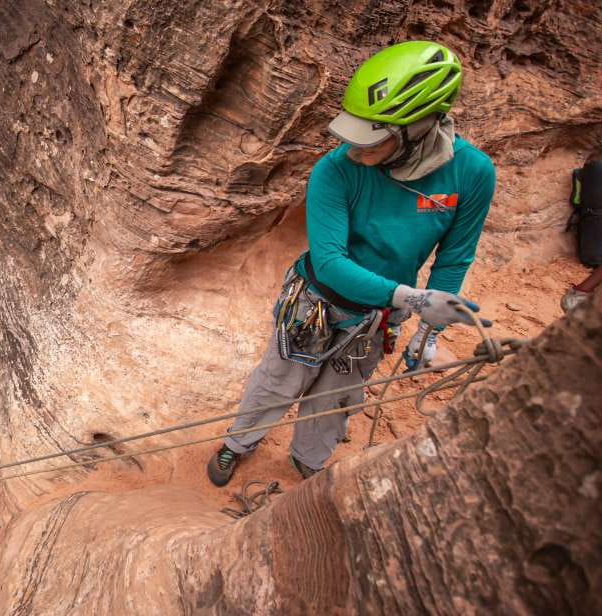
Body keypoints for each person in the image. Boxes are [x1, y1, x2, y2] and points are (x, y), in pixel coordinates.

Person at [206, 40, 496, 487]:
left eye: (373, 138)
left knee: (337, 395)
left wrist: (428, 331)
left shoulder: (472, 173)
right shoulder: (335, 170)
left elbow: (455, 256)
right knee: (280, 379)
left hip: (377, 314)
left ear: (421, 125)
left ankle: (309, 462)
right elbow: (331, 261)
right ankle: (238, 443)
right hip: (320, 298)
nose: (355, 149)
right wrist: (414, 299)